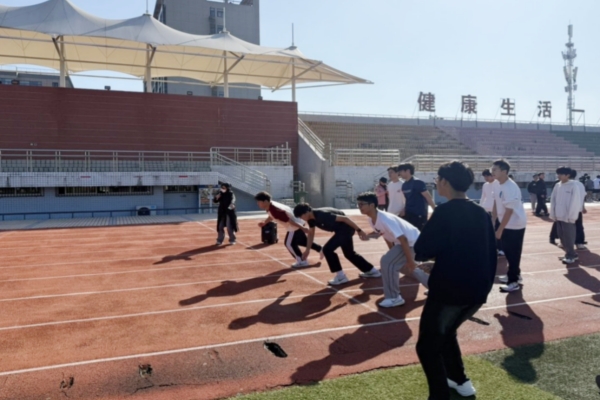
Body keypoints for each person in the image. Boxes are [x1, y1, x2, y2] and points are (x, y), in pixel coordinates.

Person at [414, 161, 497, 400]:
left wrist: (436, 260)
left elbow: (422, 249)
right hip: (477, 292)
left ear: (445, 182)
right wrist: (440, 263)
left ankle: (440, 396)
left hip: (449, 292)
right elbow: (480, 252)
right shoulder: (481, 212)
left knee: (427, 347)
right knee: (447, 333)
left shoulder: (444, 211)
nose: (436, 183)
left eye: (437, 179)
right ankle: (460, 381)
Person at [356, 192, 429, 308]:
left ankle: (394, 298)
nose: (359, 207)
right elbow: (383, 233)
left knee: (387, 262)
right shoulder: (372, 219)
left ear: (372, 205)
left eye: (362, 204)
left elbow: (403, 239)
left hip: (413, 242)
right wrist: (368, 236)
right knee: (404, 267)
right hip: (408, 242)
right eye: (358, 204)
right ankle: (435, 287)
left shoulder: (385, 219)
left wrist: (410, 261)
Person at [293, 203, 380, 285]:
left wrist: (359, 230)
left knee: (327, 250)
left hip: (345, 229)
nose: (301, 218)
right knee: (349, 253)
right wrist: (307, 250)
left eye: (300, 216)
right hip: (341, 230)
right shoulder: (311, 219)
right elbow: (311, 234)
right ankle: (371, 271)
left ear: (306, 212)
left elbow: (345, 219)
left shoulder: (322, 215)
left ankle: (341, 277)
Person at [255, 191, 322, 268]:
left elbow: (289, 221)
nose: (257, 203)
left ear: (265, 201)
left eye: (259, 202)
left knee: (289, 244)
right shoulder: (270, 206)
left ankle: (302, 261)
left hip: (294, 225)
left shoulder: (275, 209)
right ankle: (321, 249)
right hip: (297, 222)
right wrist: (265, 223)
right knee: (302, 241)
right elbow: (271, 216)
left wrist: (302, 228)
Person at [492, 159, 527, 292]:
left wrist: (500, 229)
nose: (492, 172)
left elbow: (509, 210)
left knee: (513, 253)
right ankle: (515, 274)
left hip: (515, 224)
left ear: (504, 171)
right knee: (508, 251)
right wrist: (494, 220)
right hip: (505, 222)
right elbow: (496, 202)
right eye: (492, 169)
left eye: (495, 170)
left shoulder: (510, 187)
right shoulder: (497, 184)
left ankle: (513, 282)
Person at [550, 167, 582, 264]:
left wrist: (571, 216)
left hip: (568, 217)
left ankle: (570, 256)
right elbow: (553, 200)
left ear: (567, 175)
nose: (558, 176)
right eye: (558, 174)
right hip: (558, 216)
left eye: (561, 174)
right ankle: (571, 253)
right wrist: (553, 214)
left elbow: (575, 202)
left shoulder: (573, 186)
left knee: (569, 237)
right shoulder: (557, 185)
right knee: (561, 237)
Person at [398, 163, 436, 230]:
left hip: (419, 214)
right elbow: (407, 199)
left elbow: (428, 197)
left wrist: (435, 210)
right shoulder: (404, 185)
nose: (399, 173)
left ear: (408, 171)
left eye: (401, 171)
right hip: (408, 214)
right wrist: (404, 209)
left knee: (419, 234)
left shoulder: (418, 183)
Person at [481, 169, 504, 257]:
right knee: (489, 230)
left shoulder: (498, 184)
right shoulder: (485, 185)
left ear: (492, 175)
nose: (486, 178)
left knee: (497, 229)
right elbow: (483, 196)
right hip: (487, 210)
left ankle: (501, 248)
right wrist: (481, 208)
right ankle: (492, 247)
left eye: (487, 176)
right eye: (484, 176)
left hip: (497, 211)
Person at [570, 169, 587, 250]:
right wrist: (583, 207)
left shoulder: (564, 184)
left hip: (568, 210)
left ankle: (566, 242)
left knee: (567, 227)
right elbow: (583, 196)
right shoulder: (580, 184)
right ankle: (580, 242)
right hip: (578, 209)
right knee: (579, 226)